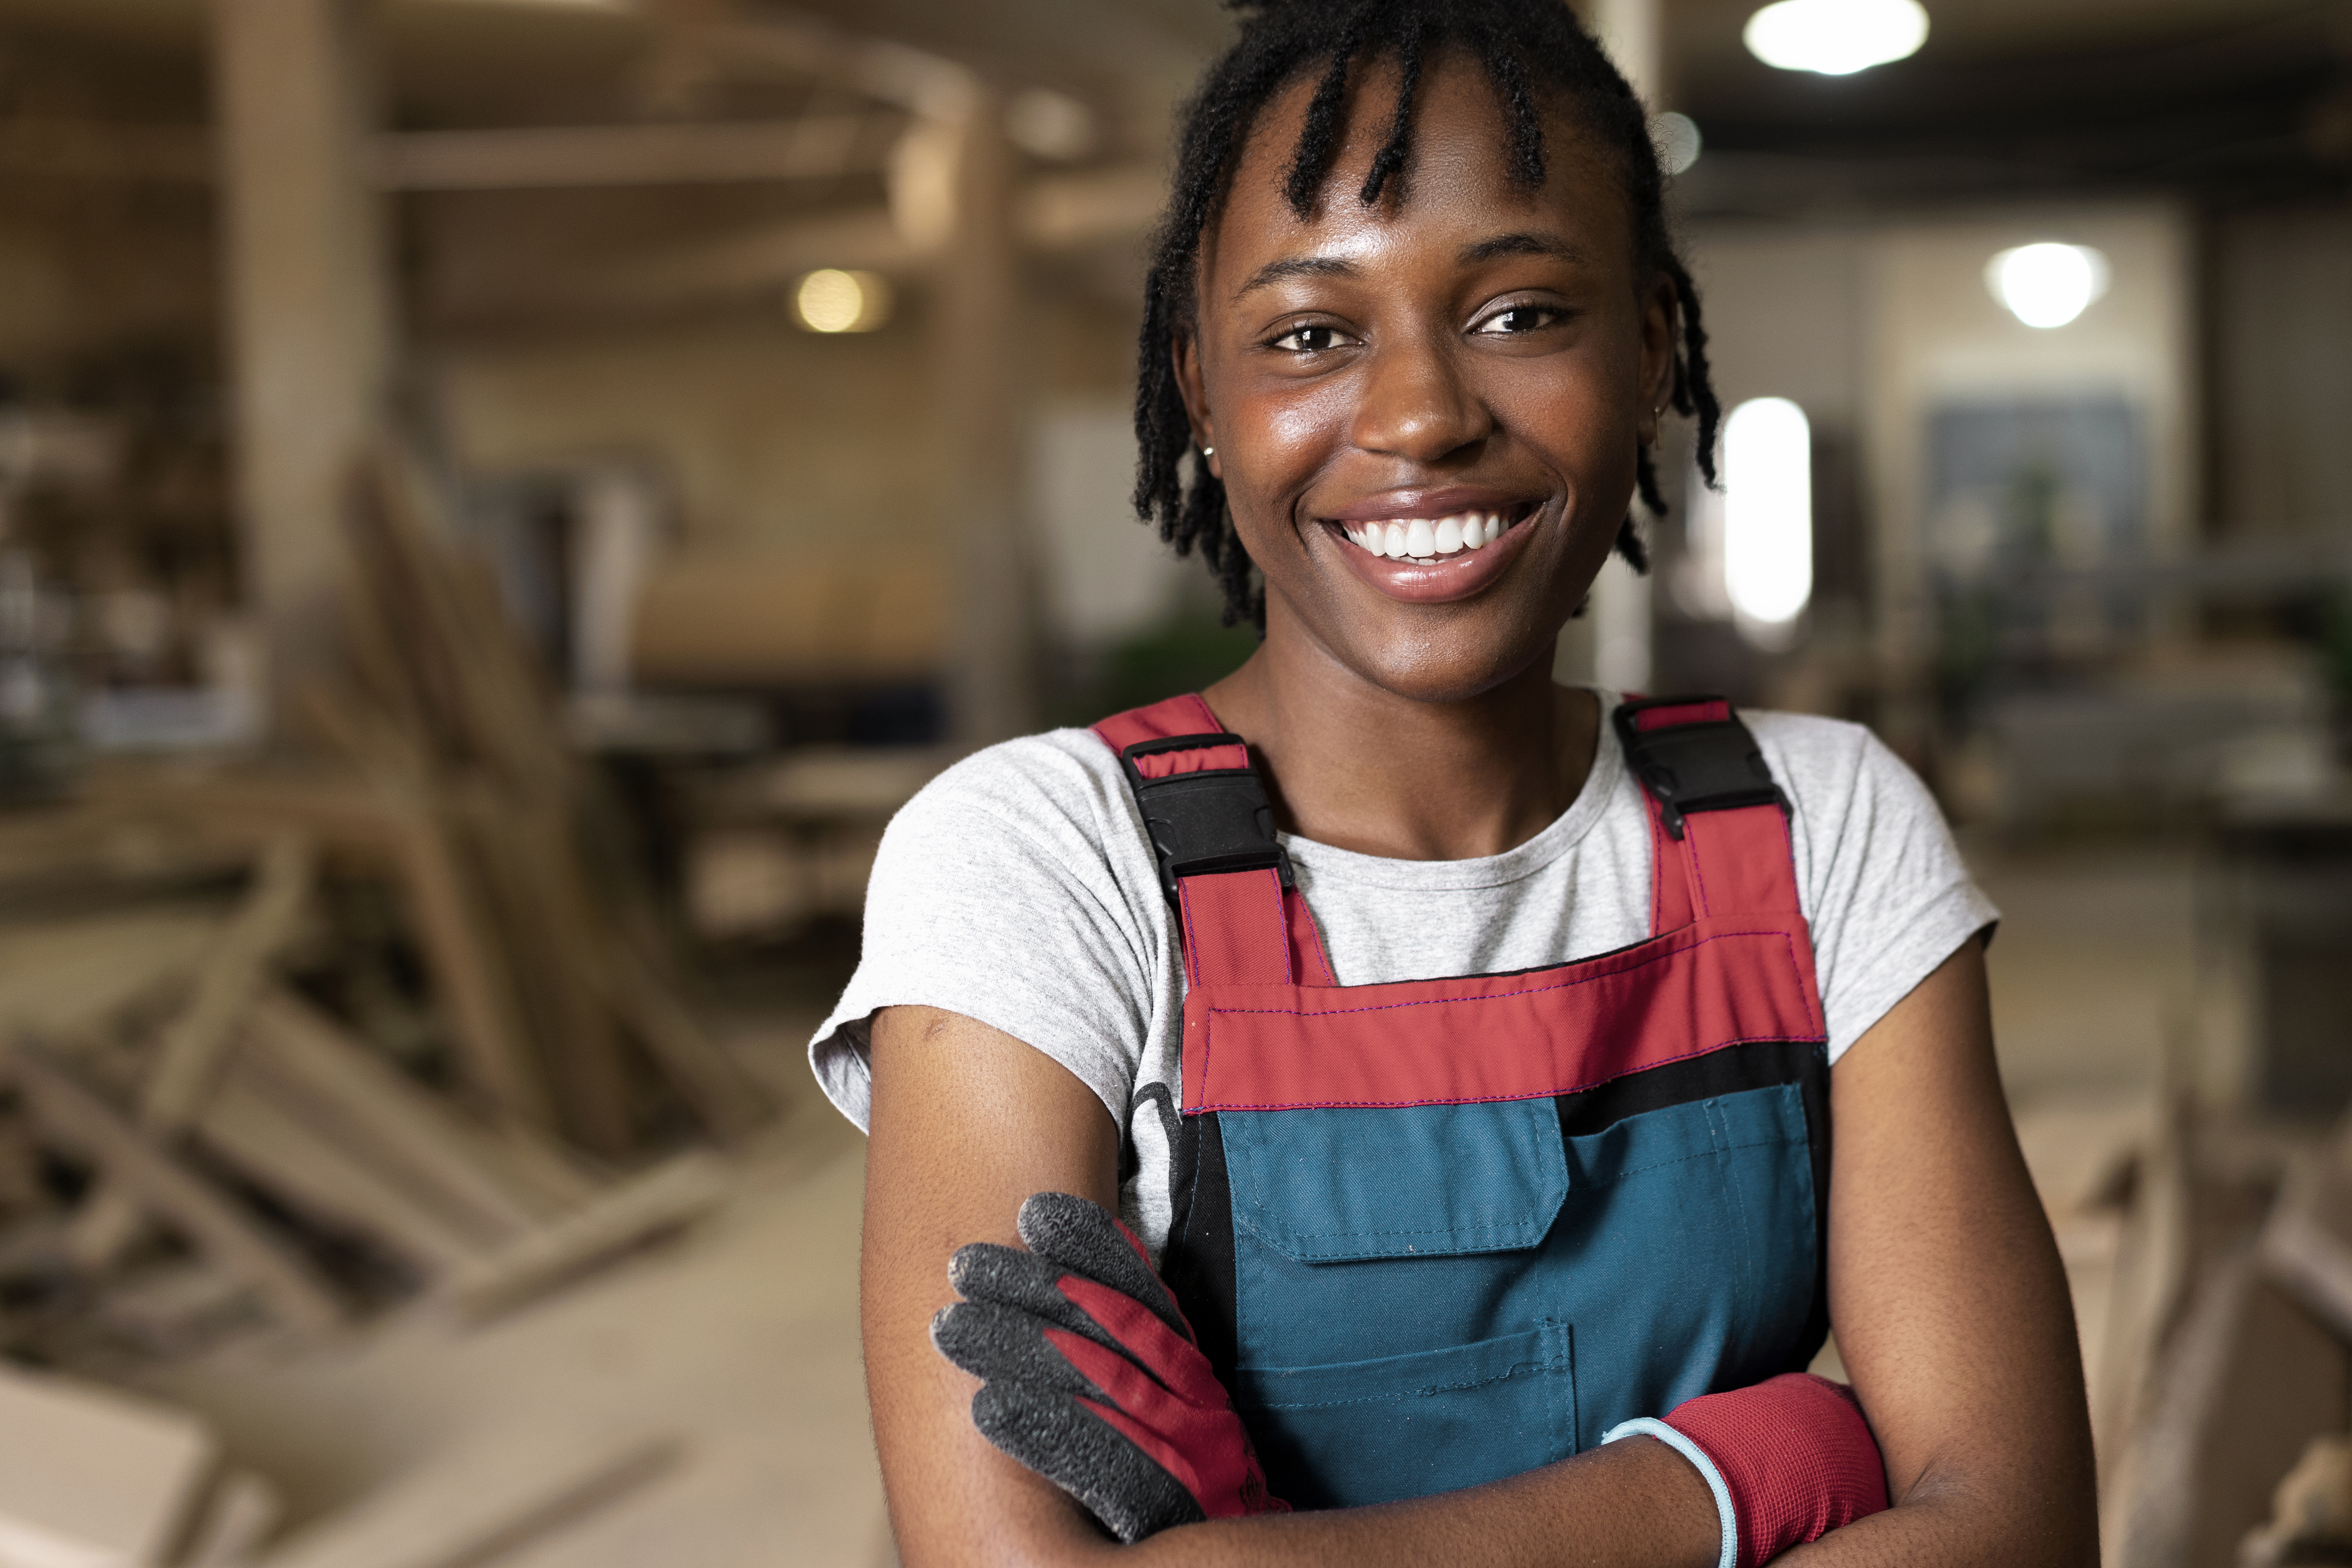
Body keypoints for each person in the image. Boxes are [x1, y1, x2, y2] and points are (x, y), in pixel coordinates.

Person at [812, 2, 2098, 1563]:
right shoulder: (1038, 861)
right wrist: (1755, 1471)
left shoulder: (1822, 824)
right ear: (1201, 395)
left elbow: (2014, 1531)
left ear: (1646, 354)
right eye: (1306, 335)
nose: (1421, 415)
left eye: (1519, 314)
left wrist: (1268, 1554)